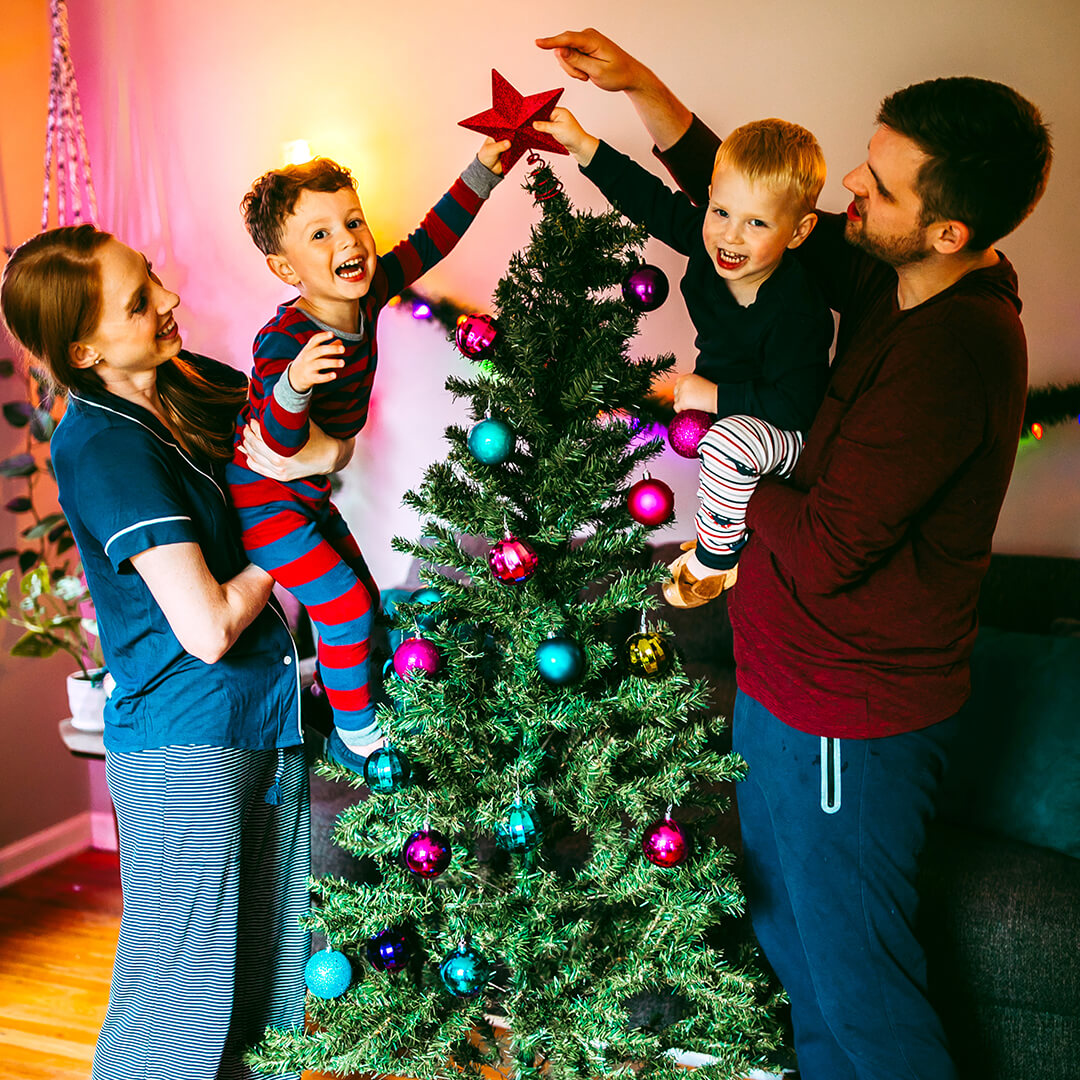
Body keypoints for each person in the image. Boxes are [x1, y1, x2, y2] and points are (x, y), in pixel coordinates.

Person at [537, 28, 1051, 1080]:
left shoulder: (954, 350)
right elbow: (741, 204)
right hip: (782, 687)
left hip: (844, 717)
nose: (851, 184)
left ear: (948, 230)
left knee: (856, 987)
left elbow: (825, 551)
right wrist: (640, 89)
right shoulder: (889, 279)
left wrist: (723, 438)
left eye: (883, 182)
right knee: (797, 960)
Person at [0, 224, 351, 1080]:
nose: (169, 300)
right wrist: (286, 525)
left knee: (267, 984)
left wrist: (305, 470)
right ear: (83, 347)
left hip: (265, 721)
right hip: (182, 746)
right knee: (176, 1000)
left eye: (152, 278)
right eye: (137, 301)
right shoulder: (106, 447)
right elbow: (207, 627)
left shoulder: (193, 385)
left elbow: (321, 445)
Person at [230, 139, 509, 776]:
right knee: (345, 606)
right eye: (320, 234)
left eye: (353, 222)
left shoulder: (370, 288)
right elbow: (272, 443)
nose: (348, 241)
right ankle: (356, 735)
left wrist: (482, 173)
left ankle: (349, 703)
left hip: (307, 494)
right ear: (285, 268)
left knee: (365, 595)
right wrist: (294, 386)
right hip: (263, 500)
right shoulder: (286, 338)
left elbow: (427, 242)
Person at [533, 107, 832, 606]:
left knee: (731, 443)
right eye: (721, 212)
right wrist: (584, 145)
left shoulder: (796, 310)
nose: (730, 236)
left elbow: (799, 406)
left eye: (757, 223)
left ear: (797, 233)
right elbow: (650, 201)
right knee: (723, 444)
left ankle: (715, 567)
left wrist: (715, 396)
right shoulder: (706, 243)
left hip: (790, 434)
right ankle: (727, 532)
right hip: (732, 421)